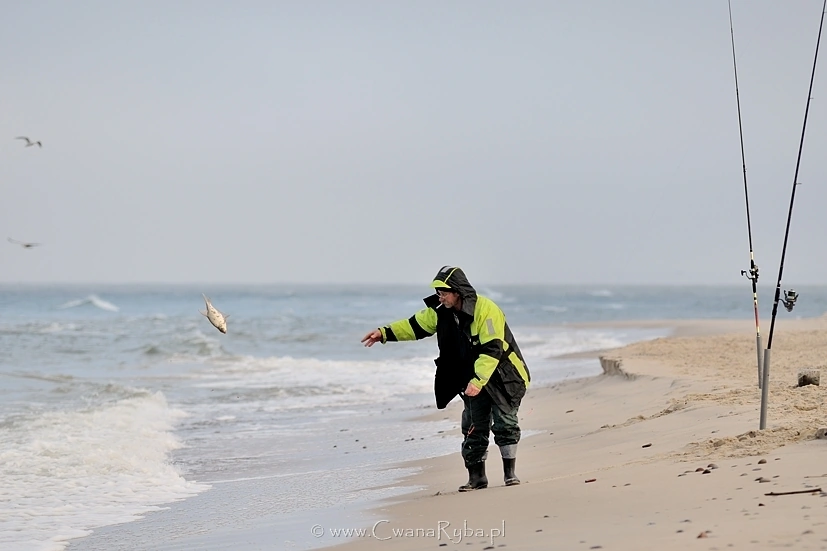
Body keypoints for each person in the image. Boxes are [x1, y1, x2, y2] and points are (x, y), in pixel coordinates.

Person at [361, 266, 530, 492]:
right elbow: (414, 326)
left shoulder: (487, 310)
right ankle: (477, 478)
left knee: (505, 423)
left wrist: (478, 381)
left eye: (444, 292)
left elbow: (492, 350)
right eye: (438, 292)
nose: (440, 296)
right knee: (472, 426)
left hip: (502, 375)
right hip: (472, 376)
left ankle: (510, 474)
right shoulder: (441, 311)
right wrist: (384, 333)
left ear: (457, 291)